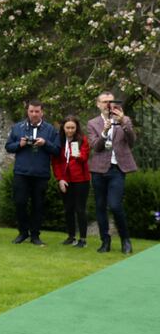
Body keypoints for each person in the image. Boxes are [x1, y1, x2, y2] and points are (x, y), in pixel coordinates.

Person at [87, 92, 137, 254]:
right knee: (100, 207)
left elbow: (132, 141)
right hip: (99, 170)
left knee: (115, 205)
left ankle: (125, 240)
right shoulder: (93, 123)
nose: (108, 105)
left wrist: (122, 121)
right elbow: (95, 146)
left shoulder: (125, 119)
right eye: (104, 102)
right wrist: (104, 131)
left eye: (111, 101)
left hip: (117, 168)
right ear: (98, 104)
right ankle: (105, 241)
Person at [5, 100, 60, 246]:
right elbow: (8, 147)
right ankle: (23, 232)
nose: (34, 114)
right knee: (20, 202)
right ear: (27, 112)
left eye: (37, 111)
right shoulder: (18, 127)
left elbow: (57, 150)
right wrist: (20, 144)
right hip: (21, 172)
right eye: (31, 111)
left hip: (40, 173)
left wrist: (45, 143)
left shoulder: (50, 130)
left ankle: (35, 235)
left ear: (42, 112)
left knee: (38, 205)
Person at [51, 115, 91, 247]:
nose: (70, 130)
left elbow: (85, 157)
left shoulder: (82, 140)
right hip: (65, 179)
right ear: (63, 128)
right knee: (68, 209)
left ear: (76, 128)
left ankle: (83, 239)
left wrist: (79, 156)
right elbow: (56, 162)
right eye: (67, 127)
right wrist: (60, 179)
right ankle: (71, 236)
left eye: (72, 128)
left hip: (81, 179)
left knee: (80, 209)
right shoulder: (59, 141)